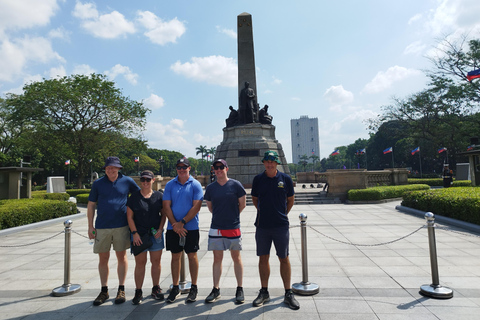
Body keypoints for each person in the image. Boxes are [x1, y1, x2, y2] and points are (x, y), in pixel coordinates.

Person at [87, 156, 140, 306]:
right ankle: (104, 290)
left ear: (119, 168)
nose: (110, 170)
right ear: (105, 169)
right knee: (103, 259)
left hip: (121, 225)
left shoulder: (127, 181)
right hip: (102, 226)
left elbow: (138, 197)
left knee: (121, 257)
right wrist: (90, 226)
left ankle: (121, 289)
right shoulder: (98, 183)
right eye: (108, 167)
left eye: (113, 167)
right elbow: (91, 205)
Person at [251, 150, 299, 310]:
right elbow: (255, 199)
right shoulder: (258, 179)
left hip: (280, 225)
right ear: (264, 163)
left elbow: (291, 200)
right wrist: (264, 213)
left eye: (272, 162)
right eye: (267, 162)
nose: (270, 164)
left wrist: (282, 213)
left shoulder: (285, 179)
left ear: (277, 163)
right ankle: (264, 291)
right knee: (263, 258)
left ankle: (288, 293)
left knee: (284, 258)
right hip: (262, 225)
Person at [204, 159, 246, 304]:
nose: (219, 170)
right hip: (216, 228)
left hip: (233, 227)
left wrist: (232, 216)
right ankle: (216, 289)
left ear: (227, 168)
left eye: (221, 167)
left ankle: (240, 288)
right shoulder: (210, 188)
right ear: (213, 170)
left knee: (236, 258)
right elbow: (210, 208)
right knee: (217, 259)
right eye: (216, 168)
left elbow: (242, 204)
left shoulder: (236, 185)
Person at [163, 158, 204, 303]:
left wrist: (183, 222)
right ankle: (175, 287)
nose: (181, 170)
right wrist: (175, 224)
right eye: (179, 167)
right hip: (173, 228)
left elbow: (196, 206)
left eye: (184, 167)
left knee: (192, 256)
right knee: (175, 256)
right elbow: (166, 206)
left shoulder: (196, 184)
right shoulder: (169, 185)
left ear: (189, 168)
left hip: (191, 227)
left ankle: (194, 286)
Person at [126, 170, 166, 305]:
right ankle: (138, 290)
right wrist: (134, 233)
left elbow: (163, 214)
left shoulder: (159, 196)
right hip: (139, 234)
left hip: (155, 234)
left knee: (156, 262)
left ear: (153, 181)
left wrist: (160, 229)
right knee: (140, 263)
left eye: (148, 180)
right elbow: (129, 217)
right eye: (143, 180)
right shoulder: (134, 197)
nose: (145, 182)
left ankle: (156, 287)